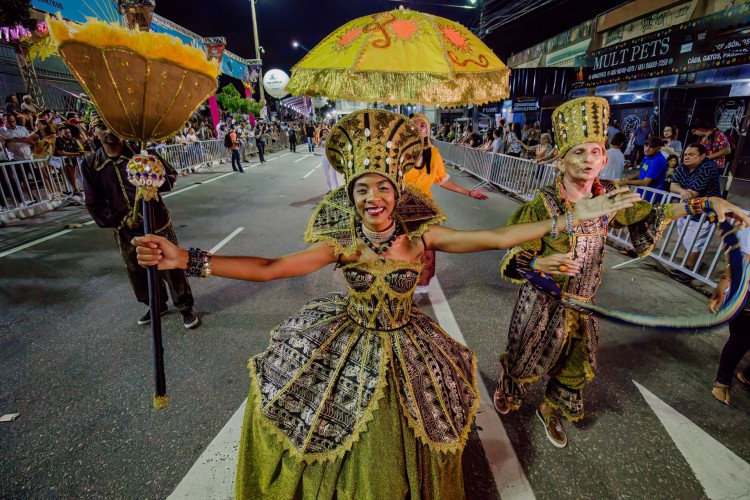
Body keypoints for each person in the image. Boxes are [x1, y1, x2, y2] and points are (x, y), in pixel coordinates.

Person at [132, 109, 639, 498]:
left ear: (396, 194)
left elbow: (496, 236)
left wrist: (567, 221)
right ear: (350, 196)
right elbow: (269, 268)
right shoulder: (343, 244)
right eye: (361, 189)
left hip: (408, 343)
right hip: (349, 340)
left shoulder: (422, 239)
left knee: (415, 430)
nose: (372, 197)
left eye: (382, 187)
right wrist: (186, 259)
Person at [493, 97, 750, 449]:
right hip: (542, 302)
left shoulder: (611, 197)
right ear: (561, 159)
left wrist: (706, 203)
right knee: (525, 355)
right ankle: (511, 388)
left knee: (573, 365)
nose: (587, 160)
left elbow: (652, 213)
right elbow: (513, 252)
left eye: (595, 151)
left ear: (604, 158)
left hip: (584, 305)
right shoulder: (543, 205)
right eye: (578, 152)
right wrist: (537, 264)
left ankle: (551, 410)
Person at [81, 112, 198, 329]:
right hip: (124, 229)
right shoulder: (90, 165)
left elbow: (170, 176)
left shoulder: (143, 154)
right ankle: (155, 304)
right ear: (94, 131)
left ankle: (184, 306)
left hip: (157, 223)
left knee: (171, 265)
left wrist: (153, 182)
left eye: (113, 127)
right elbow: (94, 202)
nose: (109, 132)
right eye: (102, 127)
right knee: (137, 270)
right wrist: (121, 220)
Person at [405, 112, 490, 294]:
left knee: (427, 246)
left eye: (423, 125)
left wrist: (469, 192)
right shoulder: (399, 152)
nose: (420, 128)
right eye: (416, 125)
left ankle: (421, 284)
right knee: (401, 248)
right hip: (399, 208)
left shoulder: (433, 153)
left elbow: (443, 181)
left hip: (423, 208)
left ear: (427, 131)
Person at [708, 211, 750, 405]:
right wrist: (722, 287)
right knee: (742, 339)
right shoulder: (747, 221)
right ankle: (722, 382)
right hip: (746, 294)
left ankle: (747, 374)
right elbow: (739, 261)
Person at [668, 143, 722, 283]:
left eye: (691, 155)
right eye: (685, 154)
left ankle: (690, 269)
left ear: (702, 156)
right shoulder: (682, 167)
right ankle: (686, 266)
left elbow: (693, 193)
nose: (686, 157)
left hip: (704, 213)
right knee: (685, 239)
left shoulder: (708, 168)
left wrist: (686, 192)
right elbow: (673, 185)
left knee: (696, 241)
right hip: (688, 209)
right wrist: (682, 191)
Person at [619, 136, 668, 203]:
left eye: (651, 147)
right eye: (646, 145)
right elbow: (643, 171)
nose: (647, 149)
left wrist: (625, 182)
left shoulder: (658, 161)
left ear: (658, 149)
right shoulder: (647, 156)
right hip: (642, 193)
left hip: (652, 197)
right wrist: (630, 179)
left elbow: (645, 182)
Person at [54, 124, 85, 196]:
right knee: (68, 169)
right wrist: (76, 154)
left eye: (69, 132)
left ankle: (77, 189)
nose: (69, 134)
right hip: (59, 163)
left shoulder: (73, 140)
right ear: (60, 133)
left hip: (74, 161)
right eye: (66, 133)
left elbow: (78, 151)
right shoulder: (57, 140)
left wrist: (79, 154)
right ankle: (75, 189)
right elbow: (61, 153)